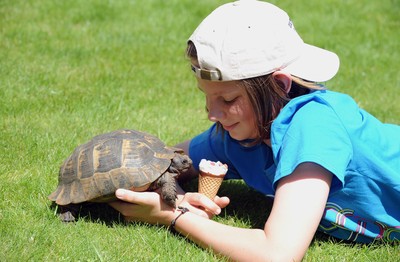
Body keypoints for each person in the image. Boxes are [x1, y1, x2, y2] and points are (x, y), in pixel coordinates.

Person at [110, 1, 400, 260]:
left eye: (228, 99)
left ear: (281, 85)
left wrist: (173, 215)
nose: (212, 113)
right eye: (207, 96)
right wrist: (178, 196)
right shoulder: (238, 136)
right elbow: (158, 166)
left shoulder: (314, 127)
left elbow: (277, 254)